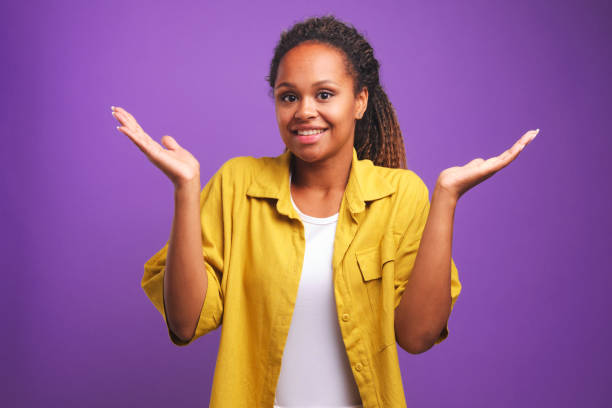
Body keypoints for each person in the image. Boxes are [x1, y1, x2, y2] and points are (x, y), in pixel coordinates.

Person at [111, 15, 537, 408]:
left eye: (325, 94)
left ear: (360, 101)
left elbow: (416, 336)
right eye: (288, 96)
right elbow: (184, 324)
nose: (304, 111)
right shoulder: (236, 184)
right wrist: (186, 189)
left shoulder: (401, 195)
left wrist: (446, 197)